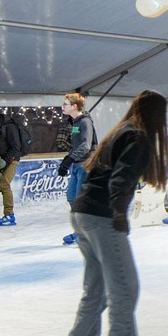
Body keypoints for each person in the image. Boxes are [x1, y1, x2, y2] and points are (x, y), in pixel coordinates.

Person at [62, 90, 168, 336]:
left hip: (82, 214)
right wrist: (119, 214)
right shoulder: (138, 137)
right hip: (102, 217)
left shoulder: (121, 130)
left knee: (95, 289)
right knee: (124, 287)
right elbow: (121, 178)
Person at [56, 93, 96, 245]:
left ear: (74, 106)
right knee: (72, 197)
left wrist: (70, 159)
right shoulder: (75, 123)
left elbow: (86, 146)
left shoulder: (85, 122)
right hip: (76, 165)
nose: (62, 107)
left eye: (65, 104)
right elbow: (76, 146)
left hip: (86, 165)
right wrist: (67, 160)